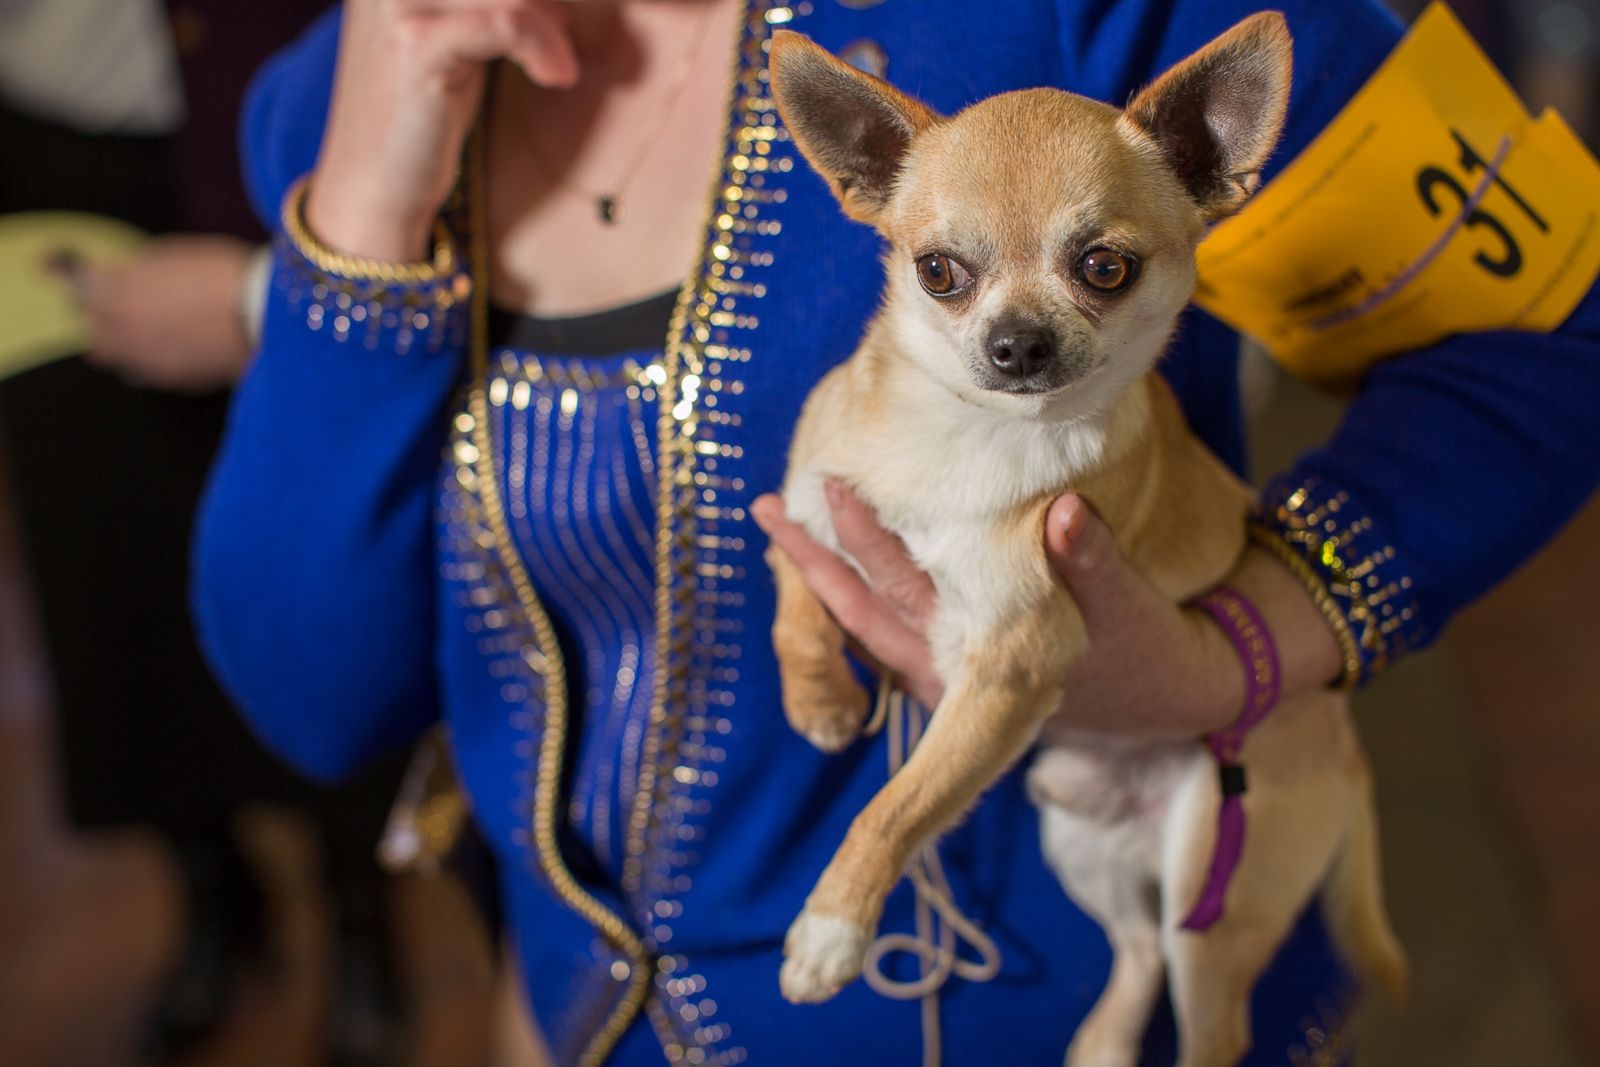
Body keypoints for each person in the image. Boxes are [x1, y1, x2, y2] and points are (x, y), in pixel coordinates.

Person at [192, 1, 1600, 1064]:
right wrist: (369, 203)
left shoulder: (1103, 15)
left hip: (1060, 1004)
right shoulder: (335, 94)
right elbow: (316, 706)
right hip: (567, 1020)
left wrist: (1242, 641)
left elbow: (1553, 331)